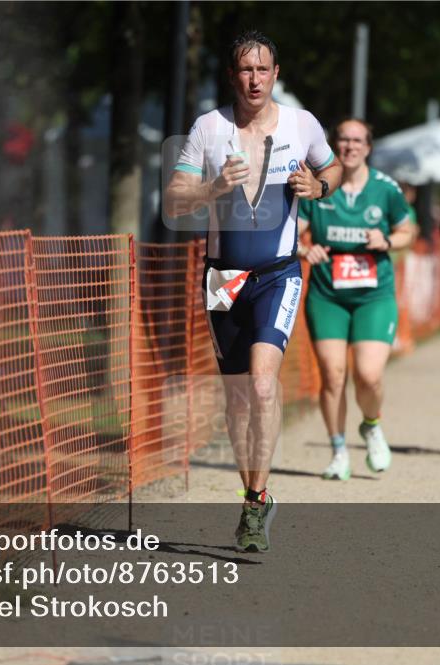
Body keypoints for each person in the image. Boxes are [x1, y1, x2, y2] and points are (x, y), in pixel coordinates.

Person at [163, 30, 341, 550]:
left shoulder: (301, 124)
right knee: (238, 398)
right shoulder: (208, 128)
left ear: (275, 73)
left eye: (263, 69)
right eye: (245, 70)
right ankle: (252, 491)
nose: (254, 79)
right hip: (222, 277)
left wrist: (319, 186)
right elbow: (174, 202)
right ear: (232, 75)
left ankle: (255, 502)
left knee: (263, 384)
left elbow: (329, 166)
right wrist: (212, 188)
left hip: (278, 272)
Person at [297, 119, 416, 479]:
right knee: (333, 376)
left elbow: (406, 230)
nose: (349, 146)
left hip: (373, 296)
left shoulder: (385, 188)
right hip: (327, 294)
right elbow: (296, 232)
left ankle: (372, 424)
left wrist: (387, 242)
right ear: (334, 145)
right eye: (343, 140)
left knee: (368, 375)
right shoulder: (318, 186)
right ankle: (338, 452)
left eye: (357, 140)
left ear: (368, 147)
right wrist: (306, 250)